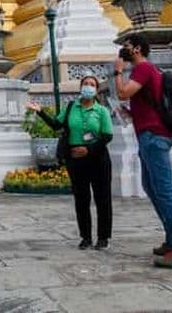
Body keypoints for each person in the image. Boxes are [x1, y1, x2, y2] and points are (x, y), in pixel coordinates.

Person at [114, 33, 172, 269]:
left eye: (127, 46)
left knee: (164, 191)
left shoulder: (143, 68)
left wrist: (118, 71)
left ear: (139, 49)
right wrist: (131, 114)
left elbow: (122, 92)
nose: (123, 50)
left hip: (154, 136)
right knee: (151, 187)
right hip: (148, 134)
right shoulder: (146, 71)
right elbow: (142, 102)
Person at [29, 76, 114, 250]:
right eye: (85, 84)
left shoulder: (101, 111)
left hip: (97, 157)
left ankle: (103, 237)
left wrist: (89, 150)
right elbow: (56, 125)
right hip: (75, 158)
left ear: (96, 90)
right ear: (80, 87)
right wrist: (40, 111)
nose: (88, 87)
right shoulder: (71, 107)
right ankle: (85, 237)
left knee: (102, 198)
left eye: (92, 85)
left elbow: (107, 135)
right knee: (81, 199)